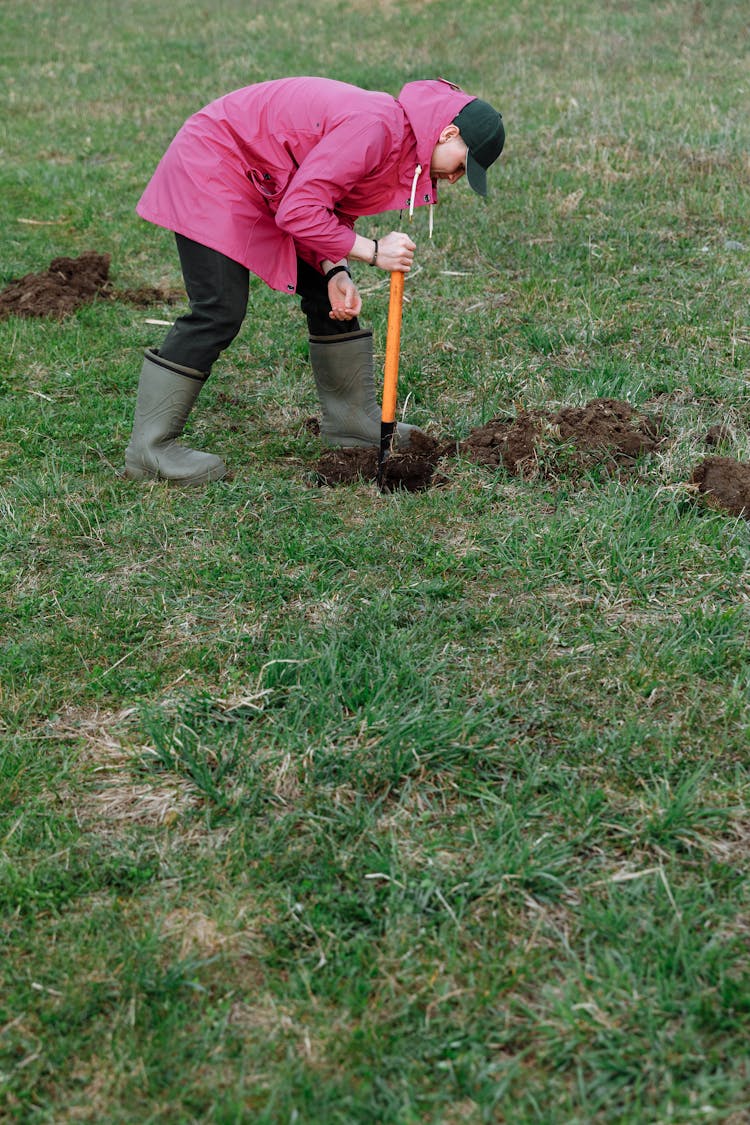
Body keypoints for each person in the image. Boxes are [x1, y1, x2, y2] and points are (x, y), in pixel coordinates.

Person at [124, 76, 505, 484]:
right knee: (218, 309)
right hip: (215, 164)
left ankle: (351, 422)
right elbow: (300, 210)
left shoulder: (400, 141)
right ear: (448, 133)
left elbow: (326, 207)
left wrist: (334, 269)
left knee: (330, 298)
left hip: (270, 182)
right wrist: (373, 251)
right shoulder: (376, 128)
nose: (453, 179)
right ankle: (150, 449)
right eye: (463, 165)